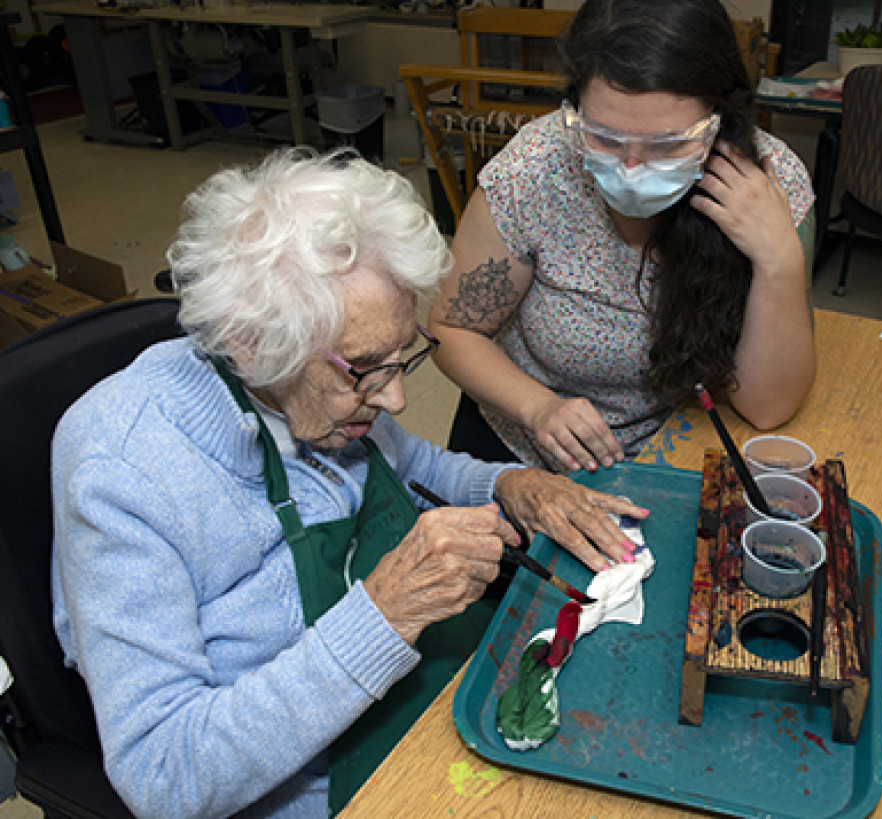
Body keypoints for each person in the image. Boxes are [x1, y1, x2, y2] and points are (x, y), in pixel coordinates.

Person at [50, 148, 648, 819]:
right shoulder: (125, 467)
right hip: (316, 787)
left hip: (435, 698)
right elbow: (164, 776)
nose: (393, 397)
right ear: (252, 342)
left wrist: (514, 483)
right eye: (366, 369)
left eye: (402, 357)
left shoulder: (326, 400)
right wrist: (386, 613)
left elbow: (418, 468)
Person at [429, 0, 817, 473]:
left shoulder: (769, 184)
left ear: (719, 121)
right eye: (606, 139)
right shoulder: (533, 171)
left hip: (677, 446)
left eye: (669, 144)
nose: (632, 170)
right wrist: (539, 408)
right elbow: (451, 330)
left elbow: (767, 407)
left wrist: (779, 261)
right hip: (525, 446)